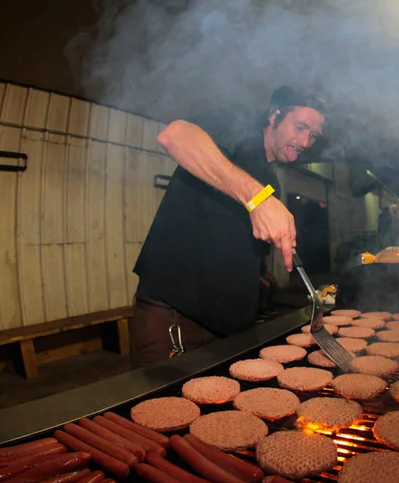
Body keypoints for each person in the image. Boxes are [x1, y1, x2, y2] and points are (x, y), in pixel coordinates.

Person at [129, 86, 327, 368]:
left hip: (230, 328)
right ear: (274, 116)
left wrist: (257, 270)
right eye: (300, 127)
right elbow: (174, 135)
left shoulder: (271, 178)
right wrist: (258, 200)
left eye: (313, 135)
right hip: (176, 318)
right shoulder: (237, 125)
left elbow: (237, 234)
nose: (305, 141)